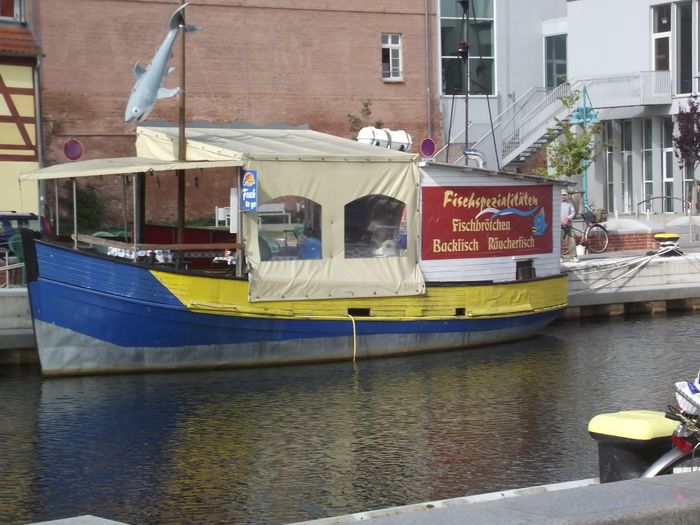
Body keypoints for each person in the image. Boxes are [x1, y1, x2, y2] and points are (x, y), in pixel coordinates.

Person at [561, 190, 578, 262]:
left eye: (565, 195)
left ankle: (573, 256)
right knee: (558, 242)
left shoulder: (569, 203)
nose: (564, 196)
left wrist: (568, 218)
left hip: (568, 224)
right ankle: (559, 257)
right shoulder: (556, 203)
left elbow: (573, 212)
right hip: (559, 225)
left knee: (571, 240)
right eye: (562, 195)